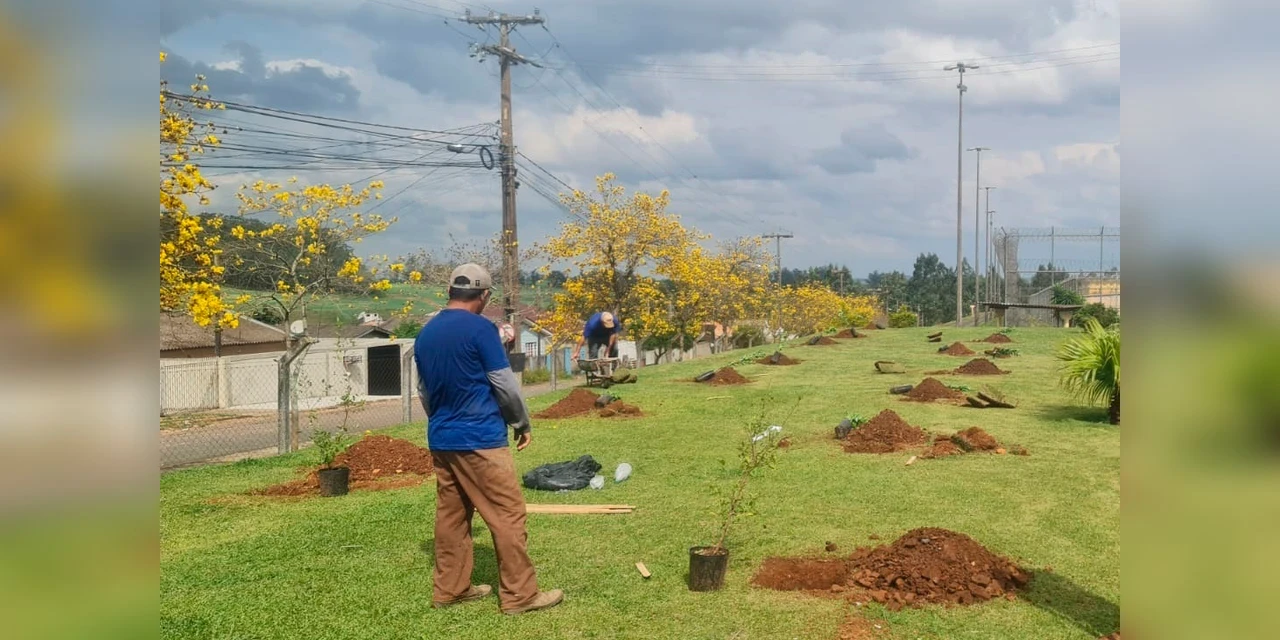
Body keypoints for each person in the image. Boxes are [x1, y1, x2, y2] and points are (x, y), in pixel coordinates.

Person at [414, 263, 563, 615]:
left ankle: (450, 589)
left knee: (451, 516)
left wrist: (442, 422)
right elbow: (504, 384)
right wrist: (521, 422)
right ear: (483, 296)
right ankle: (520, 596)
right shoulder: (482, 329)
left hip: (442, 438)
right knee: (508, 514)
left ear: (449, 292)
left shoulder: (426, 333)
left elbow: (423, 391)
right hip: (480, 438)